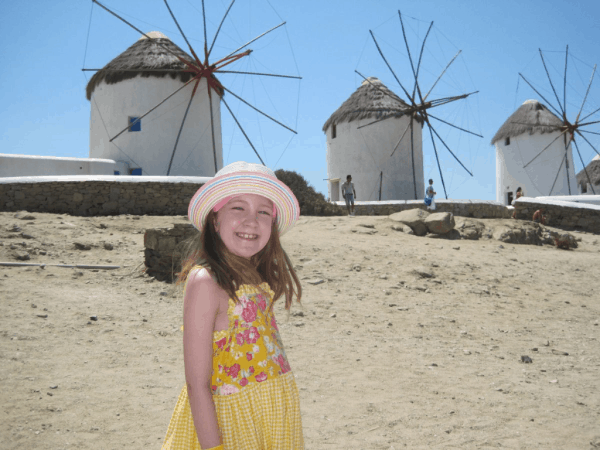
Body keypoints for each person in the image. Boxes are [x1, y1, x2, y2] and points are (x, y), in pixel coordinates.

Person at [162, 161, 304, 450]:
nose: (252, 221)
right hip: (233, 426)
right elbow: (197, 385)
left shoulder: (257, 278)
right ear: (215, 220)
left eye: (264, 212)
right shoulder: (206, 282)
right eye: (238, 208)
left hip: (270, 420)